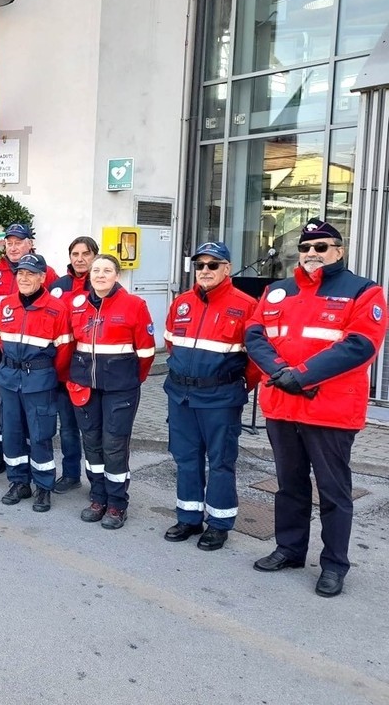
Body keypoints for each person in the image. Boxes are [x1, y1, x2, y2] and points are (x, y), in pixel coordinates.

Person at [246, 218, 387, 597]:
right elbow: (255, 334)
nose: (312, 253)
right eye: (306, 247)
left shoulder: (364, 291)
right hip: (281, 406)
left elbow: (360, 345)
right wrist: (280, 371)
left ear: (339, 251)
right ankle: (289, 550)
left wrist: (302, 376)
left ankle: (334, 565)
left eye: (321, 247)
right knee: (289, 486)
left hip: (329, 412)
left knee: (333, 492)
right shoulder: (277, 290)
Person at [163, 242, 259, 550]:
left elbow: (256, 360)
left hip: (220, 398)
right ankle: (189, 517)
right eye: (200, 265)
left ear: (227, 269)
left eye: (213, 265)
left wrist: (235, 386)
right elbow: (171, 343)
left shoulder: (246, 305)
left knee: (221, 461)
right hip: (181, 396)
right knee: (185, 457)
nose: (205, 270)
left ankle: (218, 523)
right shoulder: (182, 303)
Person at [68, 254, 155, 529]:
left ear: (117, 275)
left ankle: (117, 503)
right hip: (86, 387)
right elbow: (70, 345)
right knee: (91, 443)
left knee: (114, 445)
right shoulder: (77, 304)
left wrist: (130, 380)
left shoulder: (134, 305)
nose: (100, 275)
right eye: (96, 270)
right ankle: (98, 497)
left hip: (120, 389)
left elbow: (146, 353)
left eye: (107, 270)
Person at [0, 254, 73, 511]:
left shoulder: (56, 308)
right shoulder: (6, 306)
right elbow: (0, 341)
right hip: (9, 379)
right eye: (20, 273)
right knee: (12, 433)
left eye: (31, 273)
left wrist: (44, 373)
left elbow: (64, 351)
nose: (24, 278)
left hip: (39, 381)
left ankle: (43, 486)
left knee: (40, 435)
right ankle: (19, 482)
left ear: (42, 277)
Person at [0, 223, 58, 475]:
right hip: (3, 354)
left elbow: (55, 313)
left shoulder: (48, 273)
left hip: (35, 359)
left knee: (33, 414)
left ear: (30, 244)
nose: (13, 247)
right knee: (2, 406)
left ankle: (31, 456)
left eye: (19, 242)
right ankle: (1, 451)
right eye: (10, 243)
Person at [48, 236, 99, 493]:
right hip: (62, 371)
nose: (79, 259)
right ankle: (71, 475)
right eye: (75, 254)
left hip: (90, 372)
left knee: (92, 431)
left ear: (95, 256)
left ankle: (98, 481)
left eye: (85, 254)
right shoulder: (58, 286)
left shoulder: (102, 284)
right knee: (67, 428)